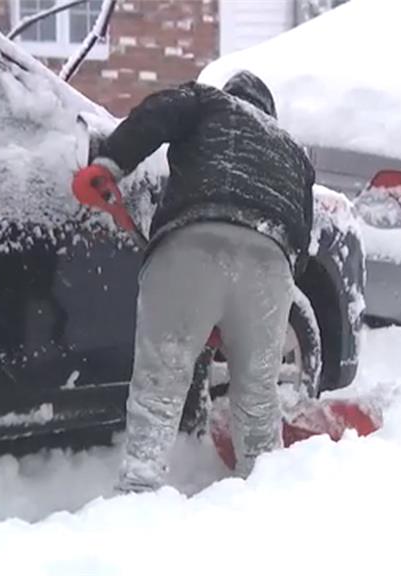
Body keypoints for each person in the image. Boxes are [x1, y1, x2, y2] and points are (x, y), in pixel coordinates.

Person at [85, 71, 315, 493]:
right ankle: (265, 494)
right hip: (270, 261)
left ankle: (139, 490)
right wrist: (244, 314)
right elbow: (302, 240)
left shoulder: (208, 102)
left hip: (192, 243)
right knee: (259, 393)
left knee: (161, 382)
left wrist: (110, 163)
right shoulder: (292, 151)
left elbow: (159, 112)